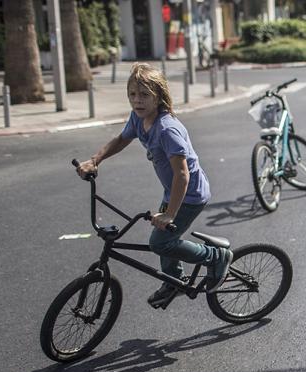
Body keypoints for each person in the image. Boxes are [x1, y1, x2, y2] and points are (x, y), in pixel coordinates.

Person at [75, 62, 231, 307]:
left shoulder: (167, 129)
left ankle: (215, 257)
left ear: (159, 96)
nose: (138, 101)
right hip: (174, 191)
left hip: (190, 195)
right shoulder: (139, 119)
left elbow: (182, 175)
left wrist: (170, 213)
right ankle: (174, 280)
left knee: (160, 242)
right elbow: (121, 139)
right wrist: (95, 160)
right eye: (133, 95)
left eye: (145, 95)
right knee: (165, 238)